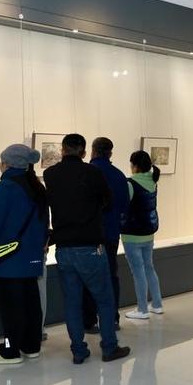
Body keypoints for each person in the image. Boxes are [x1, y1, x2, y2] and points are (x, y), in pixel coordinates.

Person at [44, 134, 130, 364]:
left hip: (64, 248)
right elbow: (107, 201)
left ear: (62, 150)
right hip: (90, 246)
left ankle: (78, 350)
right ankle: (109, 347)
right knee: (104, 299)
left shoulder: (50, 174)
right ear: (83, 152)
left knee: (72, 303)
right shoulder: (92, 173)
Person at [0, 145, 49, 365]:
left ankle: (10, 350)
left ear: (6, 164)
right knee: (31, 304)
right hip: (32, 259)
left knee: (10, 311)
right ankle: (32, 346)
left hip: (8, 262)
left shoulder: (4, 189)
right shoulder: (37, 188)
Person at [84, 137, 129, 334]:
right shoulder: (118, 175)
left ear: (93, 151)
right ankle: (112, 320)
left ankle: (89, 321)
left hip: (89, 234)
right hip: (111, 233)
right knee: (110, 276)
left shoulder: (86, 173)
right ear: (110, 152)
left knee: (89, 277)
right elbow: (125, 206)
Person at [122, 151, 164, 320]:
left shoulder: (130, 184)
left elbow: (124, 206)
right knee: (149, 268)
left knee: (138, 272)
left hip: (132, 235)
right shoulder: (153, 181)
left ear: (135, 165)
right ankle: (157, 305)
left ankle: (142, 309)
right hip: (148, 233)